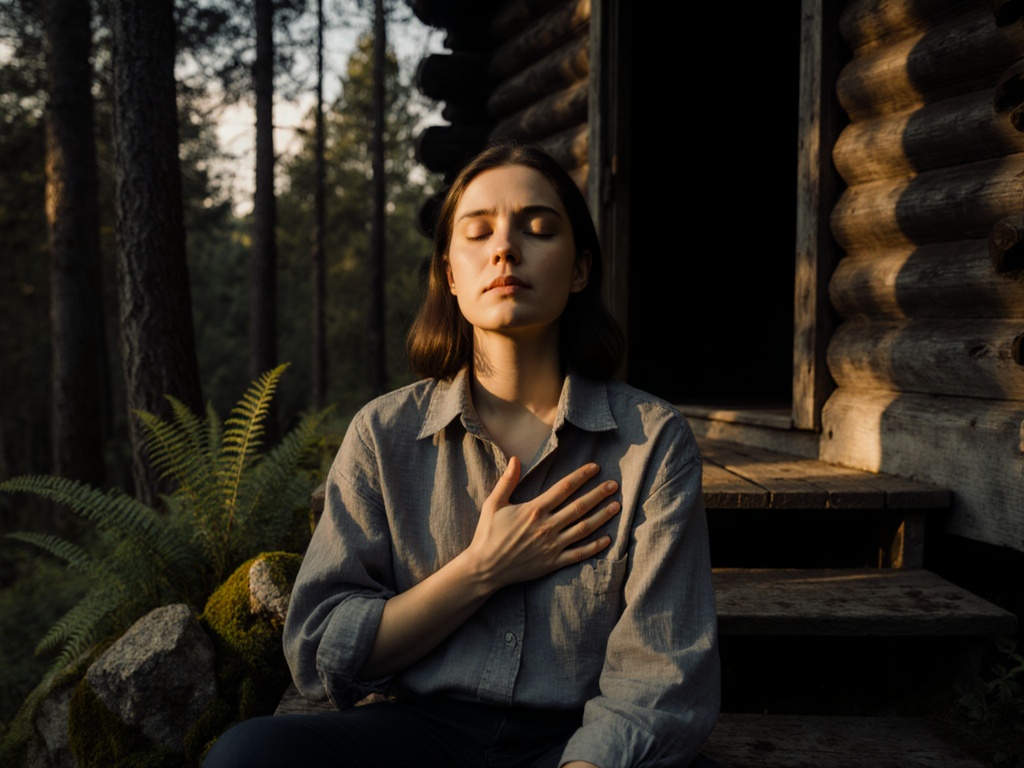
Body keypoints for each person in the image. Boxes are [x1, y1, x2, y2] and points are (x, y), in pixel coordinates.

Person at [202, 141, 720, 768]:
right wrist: (481, 569)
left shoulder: (651, 442)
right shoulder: (383, 434)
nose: (506, 248)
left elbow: (660, 675)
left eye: (538, 228)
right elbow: (322, 647)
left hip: (580, 743)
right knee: (246, 754)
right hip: (419, 735)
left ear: (580, 269)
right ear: (450, 273)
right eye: (478, 232)